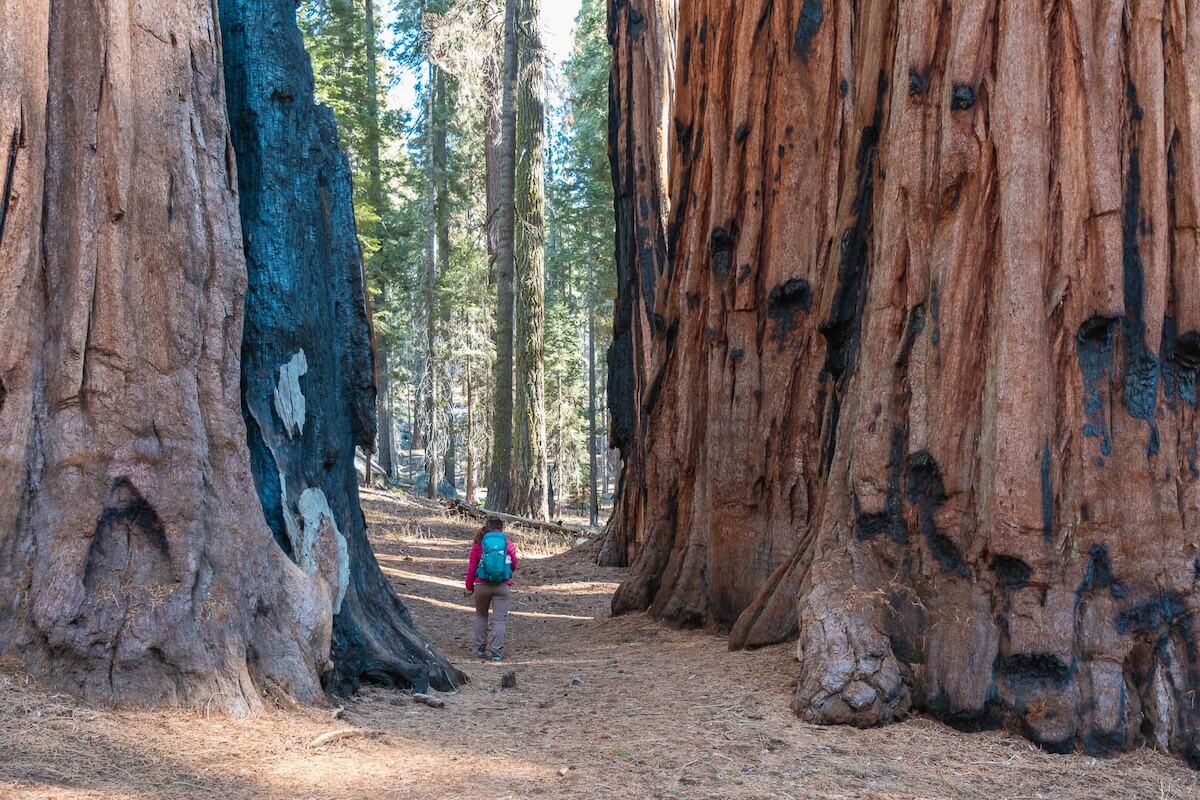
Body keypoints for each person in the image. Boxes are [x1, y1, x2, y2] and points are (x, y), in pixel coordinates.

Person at [465, 517, 519, 661]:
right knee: (499, 620)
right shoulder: (507, 543)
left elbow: (472, 568)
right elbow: (514, 564)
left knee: (481, 615)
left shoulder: (479, 544)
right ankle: (496, 652)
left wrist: (469, 587)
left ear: (486, 526)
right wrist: (506, 573)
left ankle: (480, 648)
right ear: (501, 528)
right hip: (502, 586)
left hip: (482, 585)